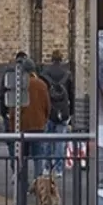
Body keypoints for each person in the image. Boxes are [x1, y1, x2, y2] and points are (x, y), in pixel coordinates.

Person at [8, 55, 51, 188]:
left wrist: (12, 126)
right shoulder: (42, 84)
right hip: (38, 126)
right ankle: (38, 184)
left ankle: (23, 185)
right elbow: (47, 106)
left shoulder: (20, 85)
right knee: (38, 157)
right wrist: (44, 120)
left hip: (22, 126)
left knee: (22, 157)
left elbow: (14, 109)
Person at [40, 50, 74, 179]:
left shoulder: (44, 74)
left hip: (49, 111)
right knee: (60, 142)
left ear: (51, 59)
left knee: (47, 141)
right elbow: (71, 94)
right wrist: (71, 113)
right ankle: (59, 169)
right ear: (62, 59)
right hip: (63, 112)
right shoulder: (67, 74)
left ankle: (47, 167)